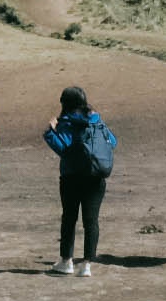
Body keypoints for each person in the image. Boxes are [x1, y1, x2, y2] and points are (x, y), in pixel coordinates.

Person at [42, 86, 116, 277]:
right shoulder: (97, 121)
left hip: (71, 177)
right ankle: (87, 265)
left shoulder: (66, 123)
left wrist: (51, 131)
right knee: (91, 221)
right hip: (96, 177)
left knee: (69, 219)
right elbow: (113, 142)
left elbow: (64, 150)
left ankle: (66, 261)